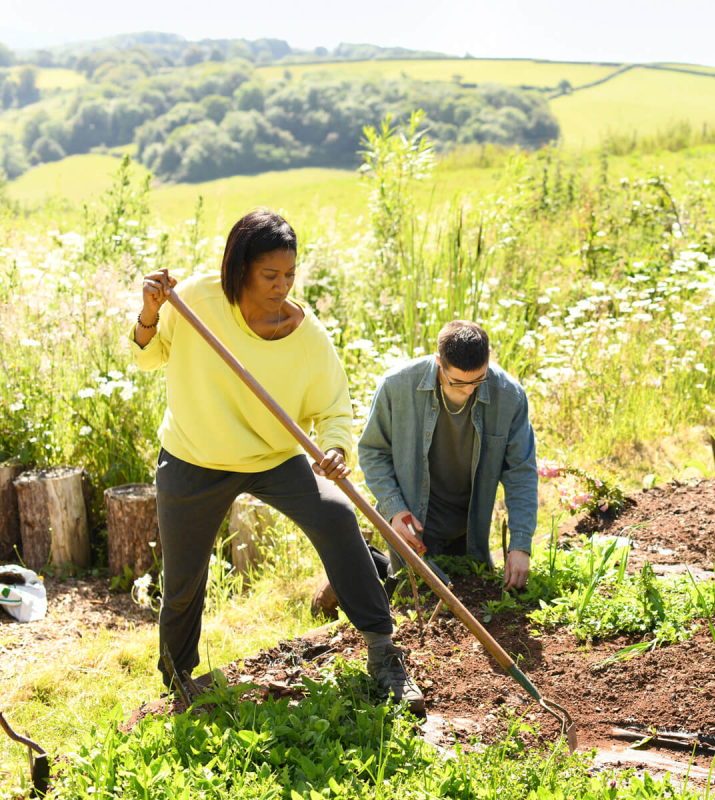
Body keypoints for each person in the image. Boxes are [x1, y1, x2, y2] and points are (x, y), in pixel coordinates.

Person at [132, 209, 425, 715]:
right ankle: (178, 678)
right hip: (194, 457)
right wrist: (150, 311)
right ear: (241, 267)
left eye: (290, 274)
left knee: (336, 515)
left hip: (273, 456)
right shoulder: (197, 299)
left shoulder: (306, 336)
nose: (282, 285)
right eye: (271, 275)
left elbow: (334, 408)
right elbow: (146, 355)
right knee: (183, 578)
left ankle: (382, 651)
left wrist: (334, 448)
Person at [357, 321, 538, 592]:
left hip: (469, 529)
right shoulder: (396, 385)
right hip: (415, 520)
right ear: (438, 361)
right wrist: (395, 509)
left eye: (478, 380)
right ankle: (359, 563)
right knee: (408, 591)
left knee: (468, 592)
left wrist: (520, 545)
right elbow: (373, 451)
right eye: (458, 382)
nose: (469, 390)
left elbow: (521, 473)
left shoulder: (509, 396)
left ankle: (368, 562)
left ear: (489, 356)